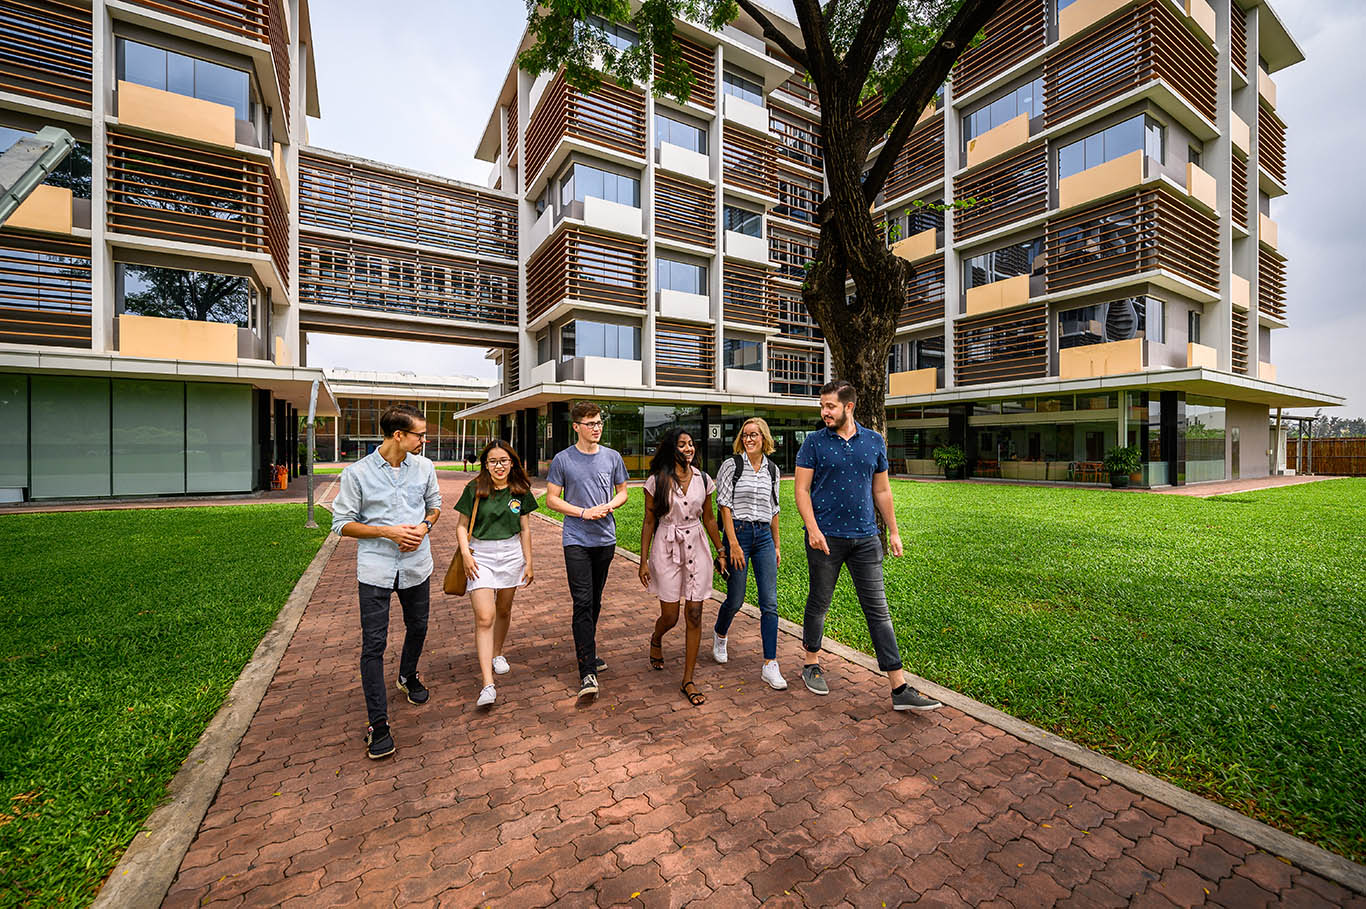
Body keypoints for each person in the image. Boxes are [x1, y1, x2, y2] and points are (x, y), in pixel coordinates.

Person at [794, 381, 942, 712]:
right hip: (825, 538)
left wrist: (893, 531)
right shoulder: (814, 443)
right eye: (822, 406)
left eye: (830, 406)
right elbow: (801, 491)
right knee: (819, 602)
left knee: (878, 612)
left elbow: (882, 491)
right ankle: (811, 662)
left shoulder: (874, 442)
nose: (824, 412)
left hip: (865, 538)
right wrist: (813, 530)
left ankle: (899, 687)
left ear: (849, 407)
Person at [330, 404, 442, 759]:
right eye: (419, 435)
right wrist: (386, 532)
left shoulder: (424, 468)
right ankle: (378, 725)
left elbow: (434, 506)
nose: (424, 440)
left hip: (416, 566)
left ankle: (408, 675)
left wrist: (423, 528)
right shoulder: (357, 474)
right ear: (399, 435)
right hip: (376, 570)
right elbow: (341, 523)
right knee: (373, 647)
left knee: (419, 627)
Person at [544, 402, 629, 699]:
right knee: (582, 602)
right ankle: (587, 672)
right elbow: (552, 500)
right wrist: (582, 513)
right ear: (576, 427)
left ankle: (588, 652)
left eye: (599, 422)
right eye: (591, 423)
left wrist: (609, 506)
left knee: (595, 601)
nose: (597, 427)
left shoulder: (612, 457)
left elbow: (623, 492)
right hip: (576, 539)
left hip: (605, 540)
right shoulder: (563, 460)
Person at [639, 428, 725, 706]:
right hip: (666, 546)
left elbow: (710, 519)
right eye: (682, 444)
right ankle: (657, 636)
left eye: (691, 444)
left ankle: (688, 679)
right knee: (671, 616)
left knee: (695, 612)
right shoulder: (657, 481)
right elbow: (649, 521)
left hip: (696, 544)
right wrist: (643, 560)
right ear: (670, 448)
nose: (689, 448)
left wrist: (721, 550)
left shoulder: (704, 479)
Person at [453, 440, 537, 708]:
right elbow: (461, 525)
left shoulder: (520, 490)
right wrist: (466, 554)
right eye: (493, 461)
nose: (499, 466)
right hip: (480, 556)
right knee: (485, 616)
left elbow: (524, 528)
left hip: (511, 554)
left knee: (503, 609)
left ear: (512, 462)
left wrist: (529, 562)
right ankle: (487, 684)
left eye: (503, 461)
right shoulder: (475, 488)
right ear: (485, 464)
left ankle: (497, 653)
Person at [711, 417, 787, 690]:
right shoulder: (732, 465)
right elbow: (724, 506)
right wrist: (732, 543)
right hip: (739, 534)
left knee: (770, 603)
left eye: (754, 435)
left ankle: (770, 663)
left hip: (764, 536)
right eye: (745, 435)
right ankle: (720, 633)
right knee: (736, 598)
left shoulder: (773, 471)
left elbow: (774, 509)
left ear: (764, 438)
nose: (749, 439)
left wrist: (777, 545)